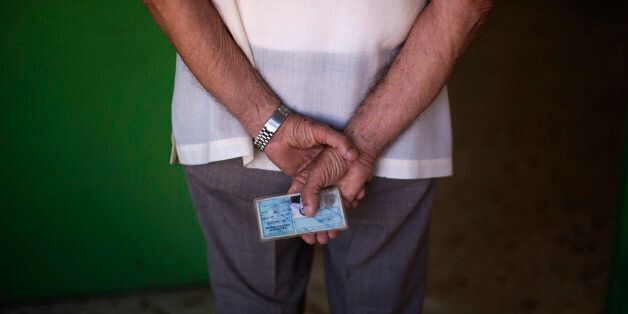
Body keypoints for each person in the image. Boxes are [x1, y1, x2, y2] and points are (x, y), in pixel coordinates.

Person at [143, 0, 491, 312]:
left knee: (253, 303)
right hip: (393, 134)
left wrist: (265, 123)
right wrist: (363, 146)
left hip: (234, 132)